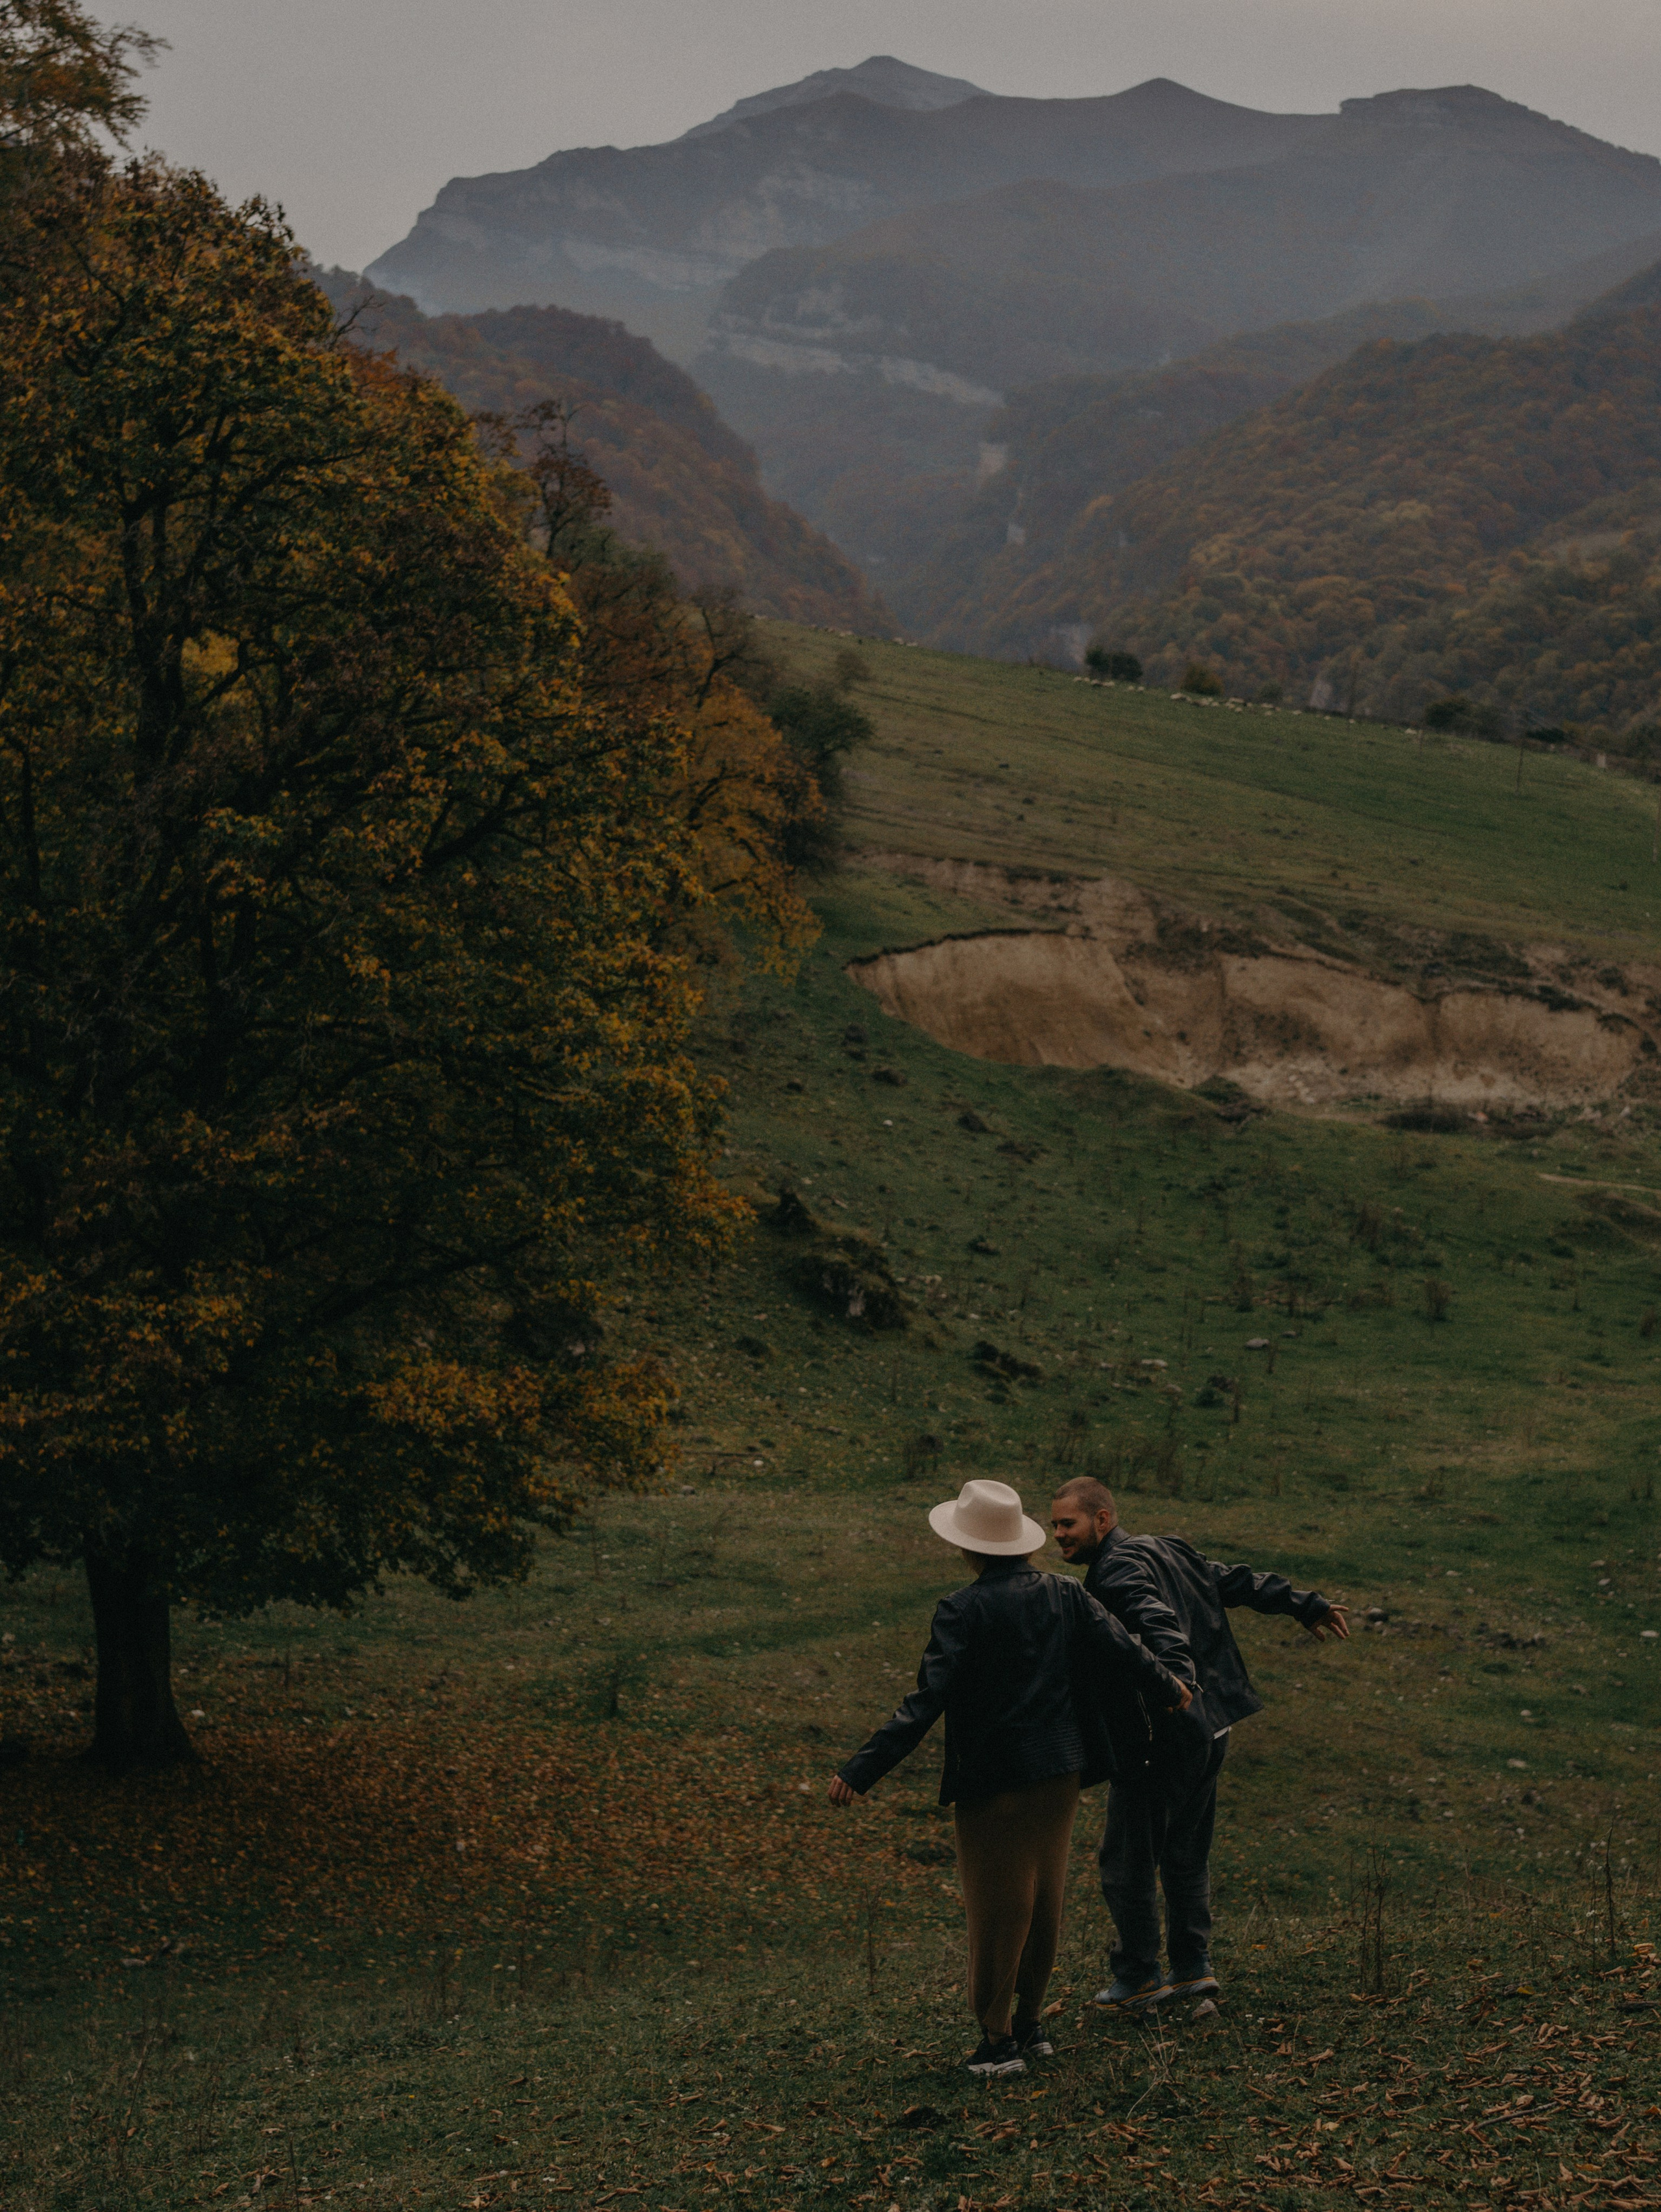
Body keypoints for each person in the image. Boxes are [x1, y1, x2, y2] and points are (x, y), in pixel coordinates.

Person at [828, 1477, 1193, 2078]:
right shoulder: (1066, 1594)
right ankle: (1030, 2024)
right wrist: (1170, 1686)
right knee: (1045, 1897)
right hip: (1060, 1771)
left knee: (998, 1906)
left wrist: (861, 1770)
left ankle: (997, 2044)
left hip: (993, 1780)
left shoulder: (960, 1610)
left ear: (969, 1548)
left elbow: (926, 1702)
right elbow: (1125, 1647)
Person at [1048, 1475, 1350, 2015]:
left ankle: (1140, 1978)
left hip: (1164, 1731)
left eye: (1067, 1524)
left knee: (1126, 1859)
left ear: (1102, 1519)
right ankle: (1193, 1970)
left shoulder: (1115, 1569)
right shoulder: (1168, 1549)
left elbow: (1156, 1624)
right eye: (1054, 1527)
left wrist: (1176, 1679)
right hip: (1215, 1725)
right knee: (1186, 1853)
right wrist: (1305, 1604)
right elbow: (1233, 1582)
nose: (1058, 1537)